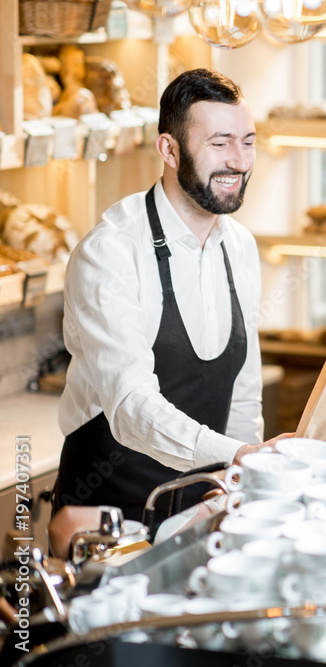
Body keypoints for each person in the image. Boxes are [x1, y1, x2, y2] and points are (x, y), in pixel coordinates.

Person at [53, 69, 283, 524]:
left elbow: (241, 395)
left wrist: (243, 487)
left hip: (199, 512)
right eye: (220, 143)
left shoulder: (240, 246)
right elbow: (131, 408)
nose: (239, 161)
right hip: (107, 520)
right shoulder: (112, 252)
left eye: (248, 141)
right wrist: (240, 454)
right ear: (169, 149)